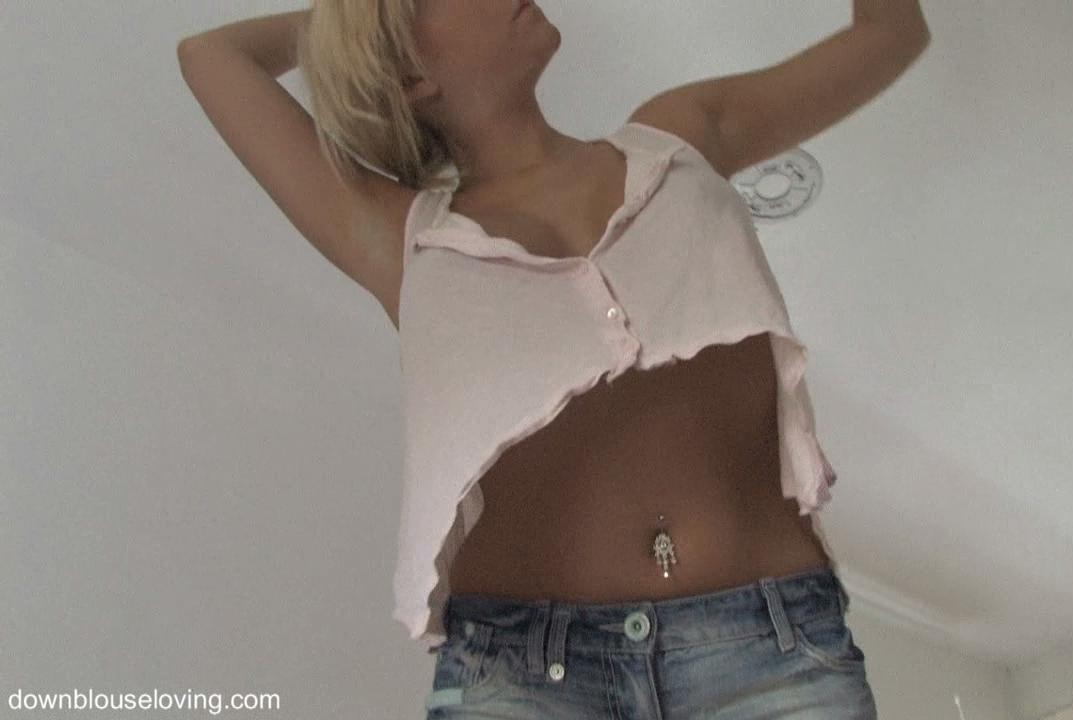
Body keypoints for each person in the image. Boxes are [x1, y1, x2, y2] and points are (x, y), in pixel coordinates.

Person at [178, 1, 929, 716]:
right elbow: (209, 56)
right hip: (524, 679)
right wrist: (355, 30)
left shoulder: (680, 136)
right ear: (410, 75)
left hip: (775, 653)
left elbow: (890, 33)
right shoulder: (400, 238)